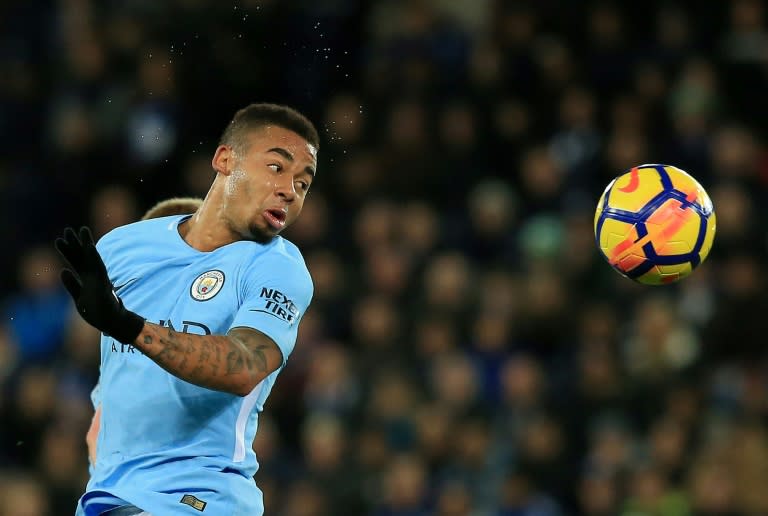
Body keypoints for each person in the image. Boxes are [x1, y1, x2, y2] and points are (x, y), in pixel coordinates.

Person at [56, 102, 319, 516]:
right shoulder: (121, 249)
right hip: (108, 497)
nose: (290, 189)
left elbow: (245, 367)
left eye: (304, 183)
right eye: (276, 167)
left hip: (201, 497)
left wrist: (129, 326)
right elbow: (112, 391)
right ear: (224, 159)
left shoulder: (277, 268)